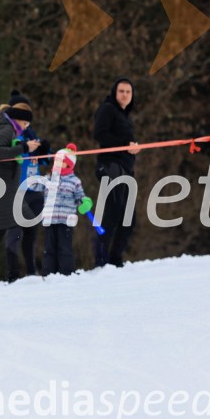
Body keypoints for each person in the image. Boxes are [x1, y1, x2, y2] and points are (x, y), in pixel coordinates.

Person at [0, 91, 40, 282]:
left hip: (7, 189)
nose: (26, 128)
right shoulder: (5, 129)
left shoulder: (3, 128)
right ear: (18, 120)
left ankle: (24, 273)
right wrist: (23, 148)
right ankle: (0, 277)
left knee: (26, 224)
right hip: (0, 189)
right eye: (25, 124)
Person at [92, 77, 141, 267]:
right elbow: (100, 134)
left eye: (128, 92)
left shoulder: (124, 115)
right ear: (115, 92)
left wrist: (132, 148)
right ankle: (102, 260)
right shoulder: (108, 109)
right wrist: (125, 146)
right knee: (112, 213)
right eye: (121, 91)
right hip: (110, 166)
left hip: (125, 169)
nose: (125, 95)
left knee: (129, 216)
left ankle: (115, 258)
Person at [41, 144, 93, 275]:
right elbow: (34, 187)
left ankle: (66, 272)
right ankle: (49, 273)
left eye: (61, 161)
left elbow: (80, 196)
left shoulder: (74, 181)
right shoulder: (48, 179)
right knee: (49, 248)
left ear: (68, 164)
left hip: (66, 219)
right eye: (56, 161)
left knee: (64, 247)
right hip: (49, 219)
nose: (57, 164)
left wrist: (85, 202)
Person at [18, 125, 51, 276]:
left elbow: (47, 160)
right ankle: (14, 272)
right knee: (17, 233)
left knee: (32, 232)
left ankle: (32, 271)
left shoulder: (34, 137)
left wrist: (45, 149)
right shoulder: (16, 139)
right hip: (20, 191)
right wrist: (24, 147)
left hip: (36, 191)